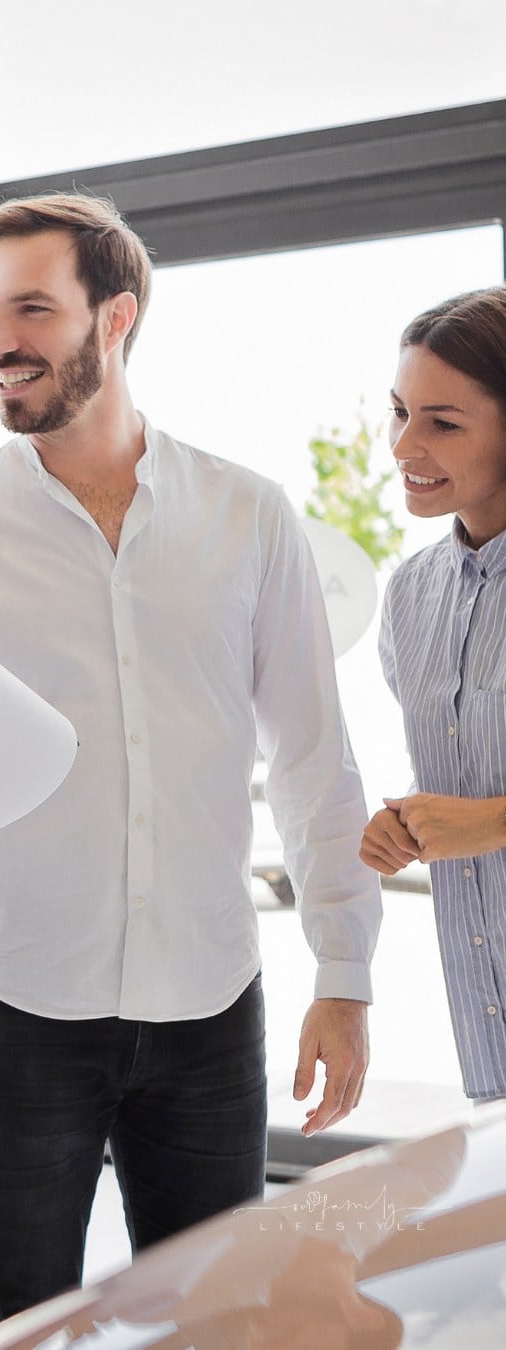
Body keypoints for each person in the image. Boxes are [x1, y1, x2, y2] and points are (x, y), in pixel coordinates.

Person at [0, 192, 381, 1333]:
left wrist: (347, 975)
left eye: (31, 306)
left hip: (210, 999)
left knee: (216, 1316)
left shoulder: (249, 516)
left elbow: (317, 755)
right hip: (21, 996)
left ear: (114, 318)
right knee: (19, 1311)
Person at [360, 286, 506, 1102]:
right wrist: (406, 823)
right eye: (398, 412)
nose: (403, 445)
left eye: (443, 423)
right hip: (483, 1007)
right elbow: (463, 772)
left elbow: (484, 811)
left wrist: (493, 821)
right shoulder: (411, 596)